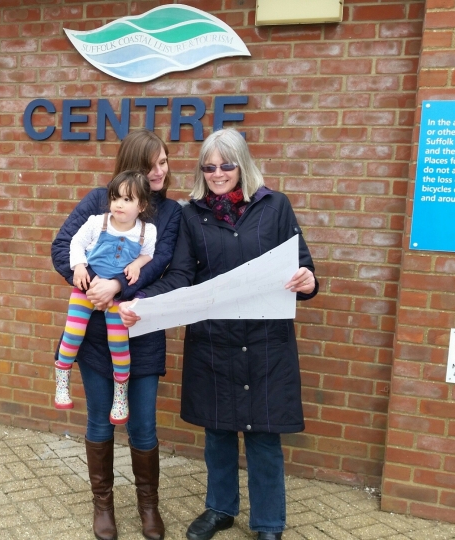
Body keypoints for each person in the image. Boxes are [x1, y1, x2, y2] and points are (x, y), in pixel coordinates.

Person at [119, 128, 319, 540]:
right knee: (219, 430)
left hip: (266, 342)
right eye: (209, 167)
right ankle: (221, 509)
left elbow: (303, 266)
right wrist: (143, 304)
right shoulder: (193, 216)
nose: (217, 173)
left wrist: (308, 282)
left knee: (264, 435)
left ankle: (268, 523)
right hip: (215, 339)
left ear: (242, 164)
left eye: (226, 164)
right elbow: (181, 277)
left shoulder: (275, 206)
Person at [51, 129, 182, 540]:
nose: (160, 170)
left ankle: (148, 507)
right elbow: (62, 248)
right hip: (93, 333)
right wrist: (95, 285)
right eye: (152, 163)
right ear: (133, 165)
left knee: (143, 426)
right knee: (99, 422)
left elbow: (167, 267)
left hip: (140, 332)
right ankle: (103, 506)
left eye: (164, 162)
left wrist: (120, 289)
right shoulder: (98, 202)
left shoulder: (170, 215)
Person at [55, 170, 158, 428]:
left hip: (118, 297)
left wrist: (138, 264)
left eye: (127, 199)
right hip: (86, 289)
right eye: (115, 198)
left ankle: (120, 394)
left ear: (141, 205)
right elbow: (75, 243)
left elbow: (149, 254)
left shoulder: (147, 231)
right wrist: (79, 267)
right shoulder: (97, 222)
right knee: (73, 334)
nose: (119, 204)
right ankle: (62, 377)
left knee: (119, 343)